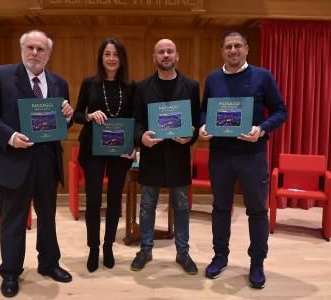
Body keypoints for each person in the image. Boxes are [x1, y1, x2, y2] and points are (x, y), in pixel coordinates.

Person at [0, 30, 74, 297]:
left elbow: (63, 122)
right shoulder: (1, 75)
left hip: (47, 163)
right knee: (13, 221)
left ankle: (49, 264)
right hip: (13, 161)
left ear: (48, 54)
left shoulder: (59, 83)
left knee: (48, 219)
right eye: (30, 47)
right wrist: (9, 136)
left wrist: (68, 116)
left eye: (41, 49)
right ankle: (10, 273)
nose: (35, 53)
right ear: (22, 49)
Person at [199, 31, 287, 289]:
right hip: (221, 156)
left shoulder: (263, 76)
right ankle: (220, 256)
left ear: (247, 49)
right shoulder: (213, 78)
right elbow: (205, 108)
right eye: (228, 46)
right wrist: (203, 125)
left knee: (257, 210)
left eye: (238, 46)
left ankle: (257, 263)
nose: (233, 50)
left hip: (253, 155)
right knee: (220, 208)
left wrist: (262, 128)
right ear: (222, 51)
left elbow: (281, 110)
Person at [130, 39, 200, 275]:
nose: (166, 55)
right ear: (155, 57)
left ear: (177, 55)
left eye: (170, 51)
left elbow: (197, 121)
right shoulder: (142, 87)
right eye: (161, 51)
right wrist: (142, 137)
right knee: (147, 205)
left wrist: (190, 137)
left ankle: (183, 252)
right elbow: (137, 121)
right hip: (152, 155)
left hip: (179, 156)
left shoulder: (191, 86)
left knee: (181, 206)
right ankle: (145, 250)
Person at [73, 38, 136, 273]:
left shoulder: (131, 86)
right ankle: (93, 247)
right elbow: (76, 115)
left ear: (122, 59)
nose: (111, 58)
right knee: (92, 201)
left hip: (120, 152)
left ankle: (108, 246)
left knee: (114, 200)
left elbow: (136, 120)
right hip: (92, 151)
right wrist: (89, 116)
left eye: (116, 54)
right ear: (101, 57)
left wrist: (134, 146)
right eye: (107, 54)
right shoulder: (89, 83)